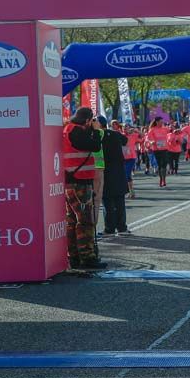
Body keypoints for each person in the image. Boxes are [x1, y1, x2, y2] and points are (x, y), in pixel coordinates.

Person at [62, 108, 105, 270]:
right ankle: (87, 257)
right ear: (87, 120)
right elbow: (94, 146)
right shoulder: (76, 131)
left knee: (72, 220)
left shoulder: (68, 129)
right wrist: (96, 131)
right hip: (79, 180)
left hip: (71, 179)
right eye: (91, 121)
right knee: (85, 220)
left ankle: (74, 256)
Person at [101, 119, 130, 236]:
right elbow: (125, 140)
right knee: (119, 200)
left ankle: (109, 228)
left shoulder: (98, 135)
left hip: (105, 170)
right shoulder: (115, 134)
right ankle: (122, 227)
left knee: (107, 201)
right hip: (118, 170)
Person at [146, 119, 170, 188]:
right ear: (157, 122)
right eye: (160, 122)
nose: (162, 123)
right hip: (157, 149)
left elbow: (172, 132)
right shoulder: (152, 130)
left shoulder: (165, 129)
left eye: (162, 122)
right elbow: (148, 138)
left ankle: (164, 180)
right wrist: (151, 142)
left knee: (164, 165)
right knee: (160, 165)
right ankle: (161, 179)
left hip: (165, 149)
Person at [122, 123, 140, 199]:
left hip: (131, 158)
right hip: (122, 158)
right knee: (127, 176)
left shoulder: (133, 135)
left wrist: (136, 130)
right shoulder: (120, 135)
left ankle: (127, 191)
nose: (125, 128)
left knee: (126, 174)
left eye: (127, 127)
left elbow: (142, 137)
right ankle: (131, 191)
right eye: (124, 127)